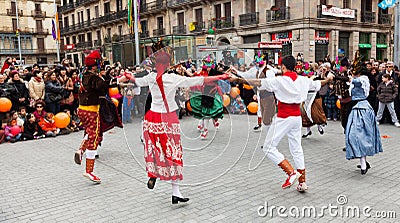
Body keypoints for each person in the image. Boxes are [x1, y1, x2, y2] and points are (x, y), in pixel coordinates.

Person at [126, 50, 230, 204]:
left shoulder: (151, 77)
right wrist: (220, 76)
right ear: (168, 64)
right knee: (173, 153)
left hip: (153, 117)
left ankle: (153, 174)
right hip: (168, 118)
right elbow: (198, 81)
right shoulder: (173, 78)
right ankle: (176, 192)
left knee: (155, 149)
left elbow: (137, 81)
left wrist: (130, 76)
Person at [233, 55, 331, 192]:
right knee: (296, 148)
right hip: (296, 117)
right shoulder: (303, 80)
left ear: (283, 67)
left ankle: (291, 172)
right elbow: (318, 84)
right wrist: (328, 79)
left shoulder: (279, 81)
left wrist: (237, 79)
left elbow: (258, 83)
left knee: (268, 147)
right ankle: (302, 182)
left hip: (284, 117)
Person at [74, 50, 122, 184]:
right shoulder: (92, 78)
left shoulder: (85, 75)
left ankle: (80, 150)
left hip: (82, 110)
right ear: (95, 65)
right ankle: (89, 171)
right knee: (94, 138)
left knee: (90, 132)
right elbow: (103, 85)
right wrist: (118, 79)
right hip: (91, 111)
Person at [345, 51, 382, 174]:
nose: (353, 73)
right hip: (355, 108)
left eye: (355, 71)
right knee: (353, 135)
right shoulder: (355, 80)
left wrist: (350, 78)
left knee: (361, 136)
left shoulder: (363, 79)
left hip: (363, 109)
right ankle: (363, 162)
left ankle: (363, 164)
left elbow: (358, 82)